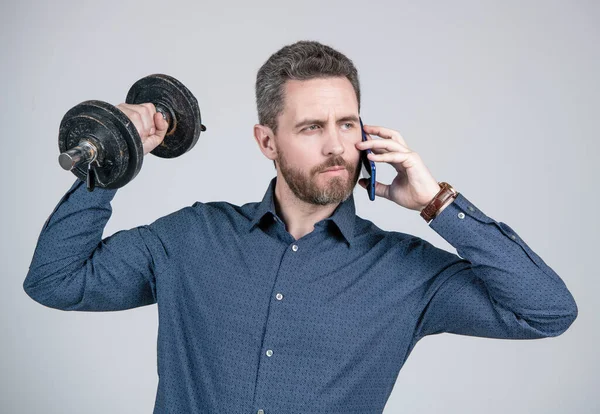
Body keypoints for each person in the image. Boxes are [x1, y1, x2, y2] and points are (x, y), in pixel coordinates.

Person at [24, 40, 578, 414]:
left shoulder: (408, 273)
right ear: (268, 142)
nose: (336, 146)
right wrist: (114, 154)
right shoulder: (191, 237)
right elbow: (56, 281)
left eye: (346, 124)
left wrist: (437, 203)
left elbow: (546, 311)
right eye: (311, 127)